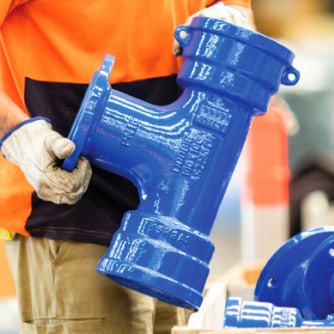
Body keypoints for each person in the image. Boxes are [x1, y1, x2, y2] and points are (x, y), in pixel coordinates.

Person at [0, 1, 253, 333]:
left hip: (170, 225)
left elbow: (233, 7)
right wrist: (14, 131)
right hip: (72, 208)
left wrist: (230, 18)